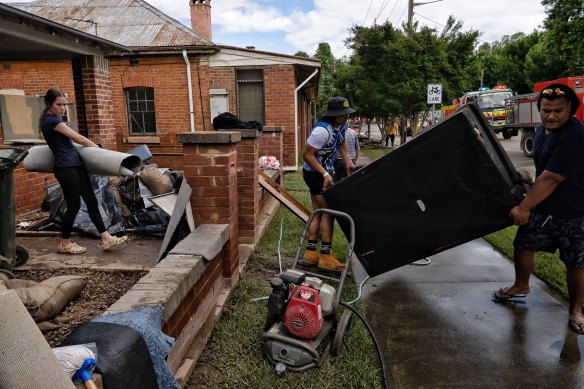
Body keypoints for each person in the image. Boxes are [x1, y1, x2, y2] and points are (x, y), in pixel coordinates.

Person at [492, 83, 584, 334]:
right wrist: (526, 177)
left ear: (571, 111)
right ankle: (521, 286)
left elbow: (552, 178)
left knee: (575, 262)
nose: (551, 116)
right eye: (545, 110)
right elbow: (544, 172)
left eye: (558, 111)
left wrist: (523, 207)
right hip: (545, 208)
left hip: (573, 212)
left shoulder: (576, 136)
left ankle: (575, 310)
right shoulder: (542, 131)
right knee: (523, 245)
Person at [40, 88, 128, 254]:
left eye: (65, 105)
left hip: (76, 166)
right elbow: (79, 138)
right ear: (49, 104)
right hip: (66, 168)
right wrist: (98, 150)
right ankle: (64, 243)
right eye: (59, 104)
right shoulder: (51, 121)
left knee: (92, 201)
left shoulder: (56, 120)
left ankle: (106, 238)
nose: (63, 108)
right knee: (74, 205)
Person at [301, 96, 356, 271]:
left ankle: (311, 254)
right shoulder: (322, 131)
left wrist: (348, 162)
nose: (347, 117)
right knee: (329, 212)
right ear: (334, 115)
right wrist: (325, 174)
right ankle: (325, 255)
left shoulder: (341, 127)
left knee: (318, 212)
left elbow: (342, 146)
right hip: (315, 174)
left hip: (324, 173)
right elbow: (307, 155)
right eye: (343, 114)